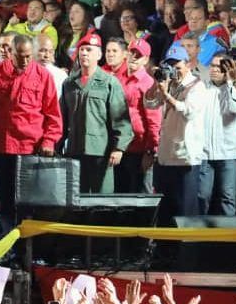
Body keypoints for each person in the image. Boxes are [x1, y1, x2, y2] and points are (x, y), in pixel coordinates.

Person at [0, 33, 63, 240]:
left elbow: (53, 114)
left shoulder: (43, 76)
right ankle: (4, 247)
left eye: (29, 56)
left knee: (29, 203)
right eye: (21, 56)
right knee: (2, 201)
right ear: (10, 53)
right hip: (1, 148)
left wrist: (49, 141)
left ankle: (26, 251)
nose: (25, 60)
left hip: (30, 149)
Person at [61, 35, 133, 194]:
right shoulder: (69, 83)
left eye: (89, 50)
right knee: (76, 198)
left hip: (101, 152)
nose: (84, 54)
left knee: (102, 199)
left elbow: (120, 118)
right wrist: (57, 146)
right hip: (75, 151)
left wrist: (118, 148)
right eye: (81, 50)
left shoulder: (109, 82)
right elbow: (62, 119)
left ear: (99, 55)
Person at [147, 42, 209, 220]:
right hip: (166, 156)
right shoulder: (169, 84)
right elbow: (149, 103)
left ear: (188, 64)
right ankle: (166, 247)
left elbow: (188, 110)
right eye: (170, 66)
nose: (174, 70)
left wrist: (167, 96)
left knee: (185, 211)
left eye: (178, 66)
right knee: (166, 211)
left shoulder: (197, 85)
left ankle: (187, 247)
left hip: (186, 158)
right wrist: (156, 83)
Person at [103, 38, 160, 193]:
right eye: (132, 52)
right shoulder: (117, 80)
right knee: (119, 194)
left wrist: (151, 151)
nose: (134, 57)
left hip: (139, 149)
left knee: (140, 196)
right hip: (119, 147)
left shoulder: (149, 83)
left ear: (146, 60)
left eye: (139, 55)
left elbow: (154, 121)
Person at [199, 54, 236, 215]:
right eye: (212, 65)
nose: (214, 70)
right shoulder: (202, 88)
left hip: (228, 152)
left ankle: (229, 238)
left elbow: (234, 108)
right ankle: (197, 235)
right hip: (204, 152)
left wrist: (230, 82)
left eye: (219, 67)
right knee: (202, 196)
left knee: (227, 197)